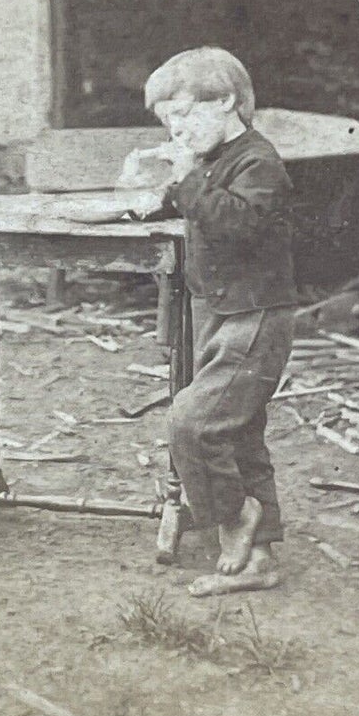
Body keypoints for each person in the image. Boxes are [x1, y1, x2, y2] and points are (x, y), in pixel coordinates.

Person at [122, 47, 298, 598]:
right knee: (240, 435)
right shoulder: (214, 161)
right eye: (168, 120)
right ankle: (260, 561)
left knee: (191, 424)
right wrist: (155, 199)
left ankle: (234, 516)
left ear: (225, 101)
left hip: (255, 314)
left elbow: (238, 223)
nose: (176, 128)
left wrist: (185, 180)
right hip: (218, 310)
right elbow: (203, 206)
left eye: (184, 114)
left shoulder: (259, 162)